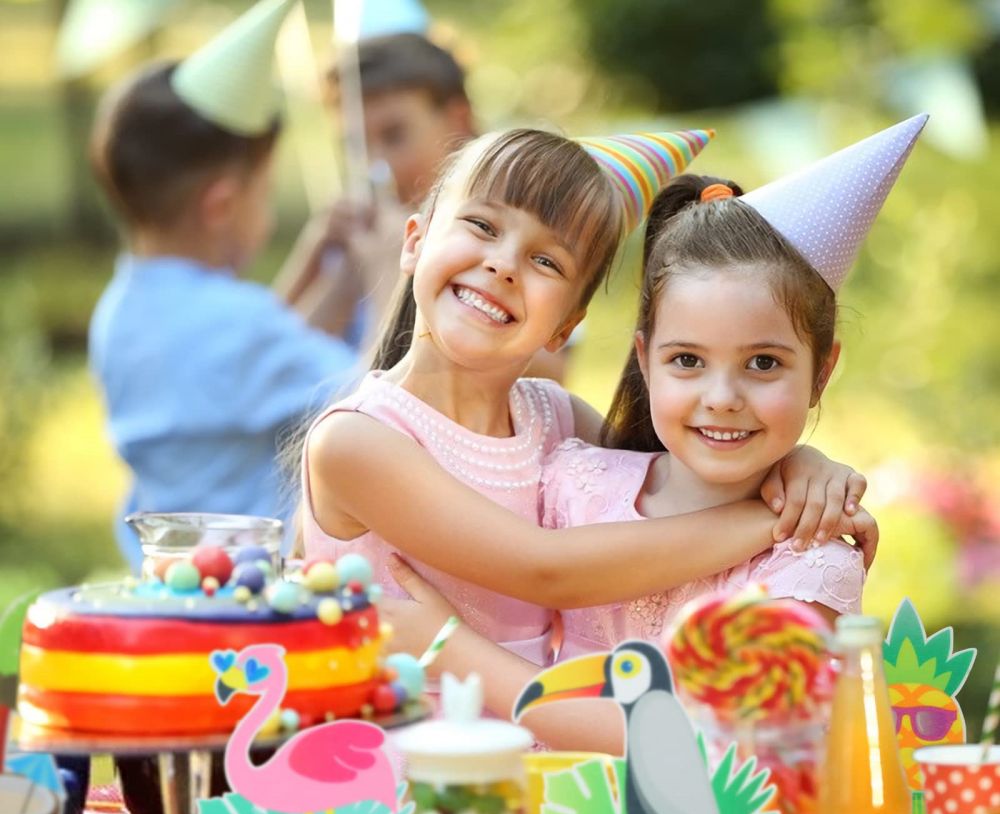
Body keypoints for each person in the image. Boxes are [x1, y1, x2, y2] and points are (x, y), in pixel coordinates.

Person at [299, 127, 873, 735]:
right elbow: (548, 570)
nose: (502, 265)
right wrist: (779, 521)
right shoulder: (358, 441)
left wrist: (800, 466)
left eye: (546, 260)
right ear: (414, 241)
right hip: (387, 758)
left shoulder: (555, 421)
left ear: (567, 323)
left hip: (537, 768)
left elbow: (675, 477)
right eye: (483, 227)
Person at [88, 0, 358, 570]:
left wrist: (321, 269)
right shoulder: (236, 322)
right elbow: (369, 402)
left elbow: (250, 369)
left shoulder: (122, 309)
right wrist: (390, 274)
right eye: (264, 190)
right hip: (250, 596)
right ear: (223, 205)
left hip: (168, 580)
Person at [288, 32, 571, 380]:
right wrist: (315, 257)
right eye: (357, 146)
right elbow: (275, 368)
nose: (375, 165)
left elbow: (551, 373)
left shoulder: (518, 226)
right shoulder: (371, 228)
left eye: (394, 135)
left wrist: (390, 270)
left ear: (458, 119)